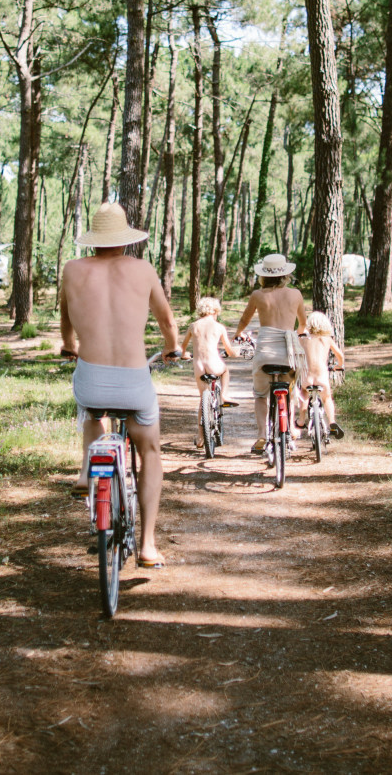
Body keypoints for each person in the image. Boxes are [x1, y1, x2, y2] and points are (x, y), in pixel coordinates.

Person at [59, 202, 180, 569]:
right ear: (125, 240)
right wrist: (173, 348)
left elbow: (65, 320)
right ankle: (147, 545)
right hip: (133, 382)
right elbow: (167, 321)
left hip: (92, 378)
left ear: (93, 240)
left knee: (91, 407)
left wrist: (69, 346)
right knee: (151, 452)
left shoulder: (72, 269)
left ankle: (86, 468)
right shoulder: (142, 270)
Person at [233, 253, 310, 454]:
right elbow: (302, 323)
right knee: (289, 390)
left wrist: (239, 333)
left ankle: (261, 434)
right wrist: (300, 333)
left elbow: (244, 320)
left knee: (260, 395)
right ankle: (291, 429)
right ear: (285, 275)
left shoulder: (258, 295)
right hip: (288, 352)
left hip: (265, 352)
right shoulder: (296, 294)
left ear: (263, 275)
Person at [182, 296, 242, 424]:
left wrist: (185, 354)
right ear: (215, 311)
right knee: (225, 371)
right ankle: (224, 395)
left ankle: (200, 436)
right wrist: (235, 353)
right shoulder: (219, 327)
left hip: (198, 366)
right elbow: (229, 351)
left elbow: (183, 347)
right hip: (213, 364)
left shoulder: (193, 326)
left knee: (203, 399)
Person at [299, 310, 346, 439]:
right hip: (322, 378)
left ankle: (301, 420)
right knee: (327, 398)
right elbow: (340, 356)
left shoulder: (304, 340)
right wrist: (339, 366)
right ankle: (332, 422)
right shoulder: (327, 340)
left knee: (304, 395)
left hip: (308, 378)